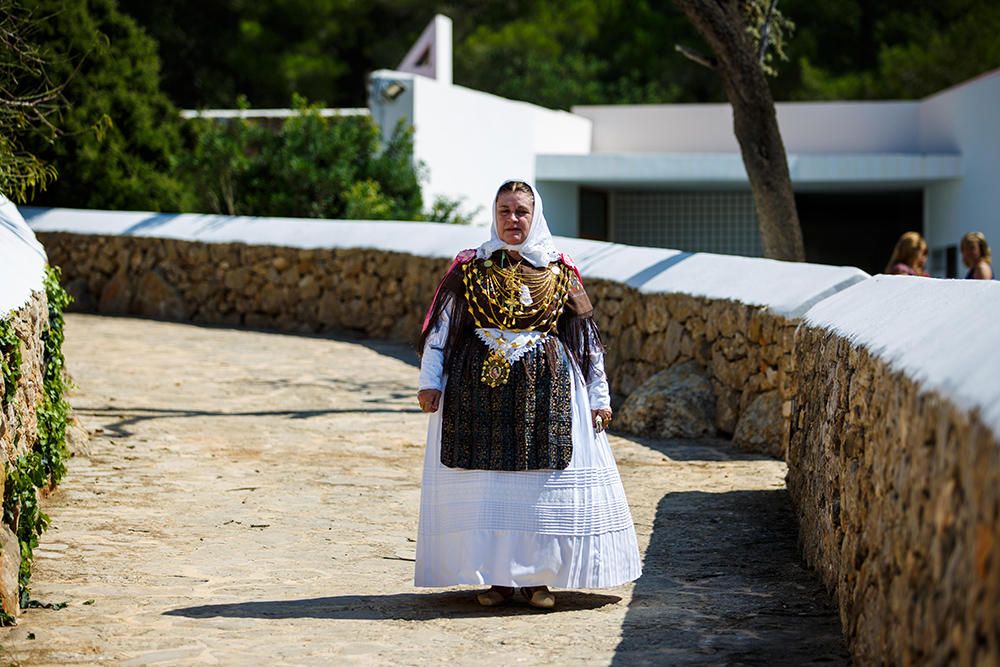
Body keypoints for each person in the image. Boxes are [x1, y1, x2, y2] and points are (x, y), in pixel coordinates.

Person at [414, 179, 642, 609]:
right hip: (476, 396)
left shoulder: (560, 270)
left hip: (547, 392)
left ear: (534, 215)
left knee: (540, 488)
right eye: (505, 211)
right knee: (489, 489)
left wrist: (599, 396)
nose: (513, 219)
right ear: (494, 214)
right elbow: (441, 330)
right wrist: (430, 380)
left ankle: (538, 580)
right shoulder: (469, 267)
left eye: (521, 211)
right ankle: (497, 580)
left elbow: (585, 339)